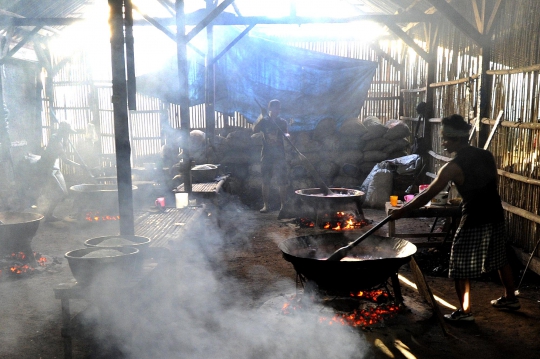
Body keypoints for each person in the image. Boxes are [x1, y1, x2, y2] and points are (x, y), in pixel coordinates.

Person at [390, 114, 519, 322]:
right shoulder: (486, 155)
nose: (443, 143)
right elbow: (493, 182)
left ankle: (465, 312)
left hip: (474, 218)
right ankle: (511, 298)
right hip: (495, 213)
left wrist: (402, 210)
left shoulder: (452, 167)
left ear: (456, 139)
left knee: (459, 265)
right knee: (499, 258)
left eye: (446, 139)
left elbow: (427, 195)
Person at [25, 121, 84, 222]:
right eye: (67, 133)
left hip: (53, 167)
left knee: (63, 193)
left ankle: (47, 212)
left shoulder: (57, 137)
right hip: (45, 167)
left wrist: (65, 139)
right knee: (60, 193)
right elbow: (65, 160)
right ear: (63, 132)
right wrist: (80, 166)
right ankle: (48, 215)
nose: (68, 134)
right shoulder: (56, 141)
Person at [253, 99, 289, 213]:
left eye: (279, 108)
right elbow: (254, 130)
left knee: (282, 180)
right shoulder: (264, 121)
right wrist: (261, 115)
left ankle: (283, 206)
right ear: (270, 108)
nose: (277, 110)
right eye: (275, 108)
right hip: (267, 154)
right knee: (266, 180)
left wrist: (287, 135)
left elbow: (286, 132)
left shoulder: (282, 122)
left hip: (280, 154)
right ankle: (266, 206)